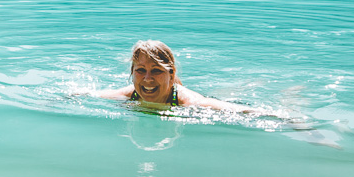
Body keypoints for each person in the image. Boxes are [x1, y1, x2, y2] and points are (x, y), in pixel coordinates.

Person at [95, 40, 250, 112]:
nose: (147, 79)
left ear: (171, 73)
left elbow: (239, 111)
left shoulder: (189, 102)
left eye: (156, 70)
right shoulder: (129, 94)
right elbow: (88, 94)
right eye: (141, 70)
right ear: (132, 72)